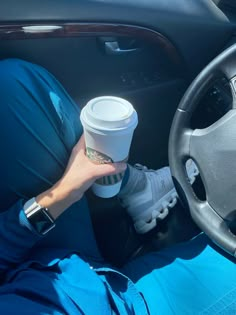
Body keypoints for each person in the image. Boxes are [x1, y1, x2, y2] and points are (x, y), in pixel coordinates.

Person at [0, 58, 235, 315]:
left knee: (12, 83)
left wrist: (62, 193)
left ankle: (136, 186)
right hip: (127, 307)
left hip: (40, 265)